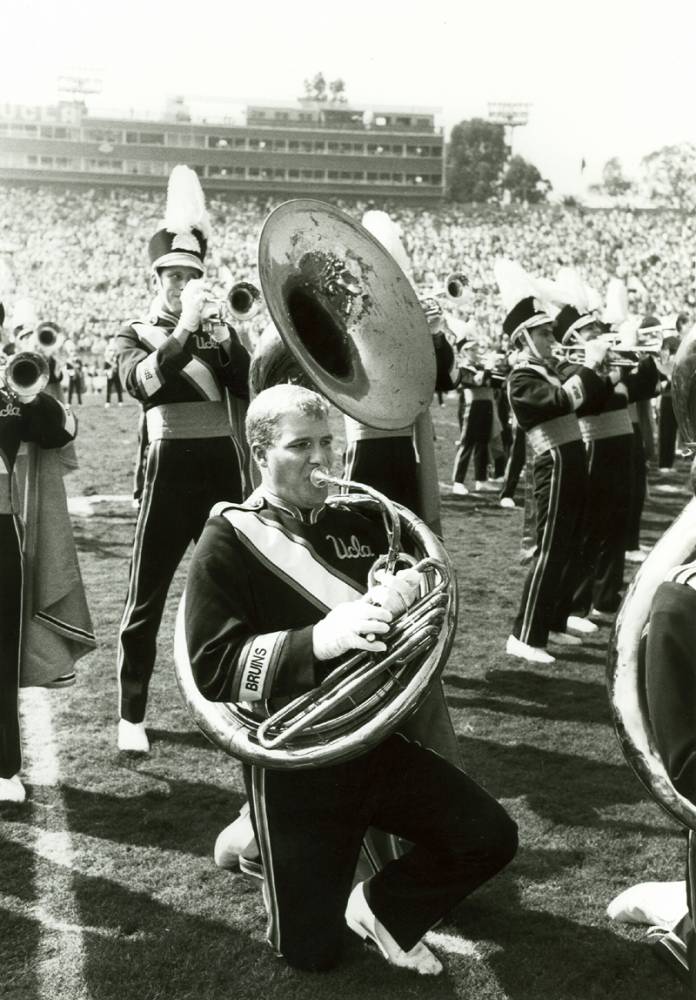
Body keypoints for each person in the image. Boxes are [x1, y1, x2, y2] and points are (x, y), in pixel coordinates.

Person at [178, 384, 518, 975]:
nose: (321, 459)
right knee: (311, 955)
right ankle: (255, 836)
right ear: (261, 454)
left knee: (491, 835)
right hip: (299, 762)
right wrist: (321, 640)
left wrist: (410, 586)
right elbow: (212, 666)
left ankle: (376, 907)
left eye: (327, 442)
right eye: (300, 445)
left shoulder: (361, 517)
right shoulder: (228, 538)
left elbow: (410, 582)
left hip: (377, 741)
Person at [115, 165, 250, 753]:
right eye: (172, 276)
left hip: (222, 467)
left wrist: (227, 340)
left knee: (241, 588)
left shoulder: (218, 333)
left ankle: (247, 700)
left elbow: (249, 385)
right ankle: (131, 714)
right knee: (146, 593)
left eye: (190, 275)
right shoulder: (135, 332)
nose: (181, 284)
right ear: (156, 277)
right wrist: (188, 327)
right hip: (168, 471)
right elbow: (145, 385)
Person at [501, 286, 609, 664]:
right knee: (550, 550)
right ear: (525, 339)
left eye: (550, 332)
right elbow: (562, 401)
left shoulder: (548, 371)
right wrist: (590, 365)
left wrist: (601, 367)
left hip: (572, 458)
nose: (551, 339)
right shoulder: (521, 378)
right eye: (544, 333)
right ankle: (525, 634)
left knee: (571, 545)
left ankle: (555, 621)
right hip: (555, 462)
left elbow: (590, 400)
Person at [0, 371, 77, 803]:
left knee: (1, 650)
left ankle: (2, 765)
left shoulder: (6, 399)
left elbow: (60, 433)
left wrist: (32, 397)